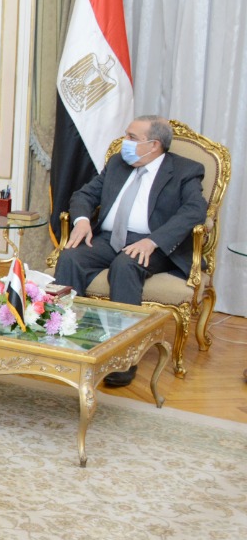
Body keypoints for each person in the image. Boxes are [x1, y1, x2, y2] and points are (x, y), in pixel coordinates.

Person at [54, 115, 208, 387]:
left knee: (125, 265)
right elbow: (84, 195)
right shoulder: (118, 164)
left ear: (154, 145)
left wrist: (154, 241)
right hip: (109, 238)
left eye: (131, 138)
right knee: (71, 257)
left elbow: (194, 211)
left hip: (152, 244)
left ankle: (123, 357)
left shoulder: (185, 170)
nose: (124, 142)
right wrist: (82, 221)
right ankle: (66, 340)